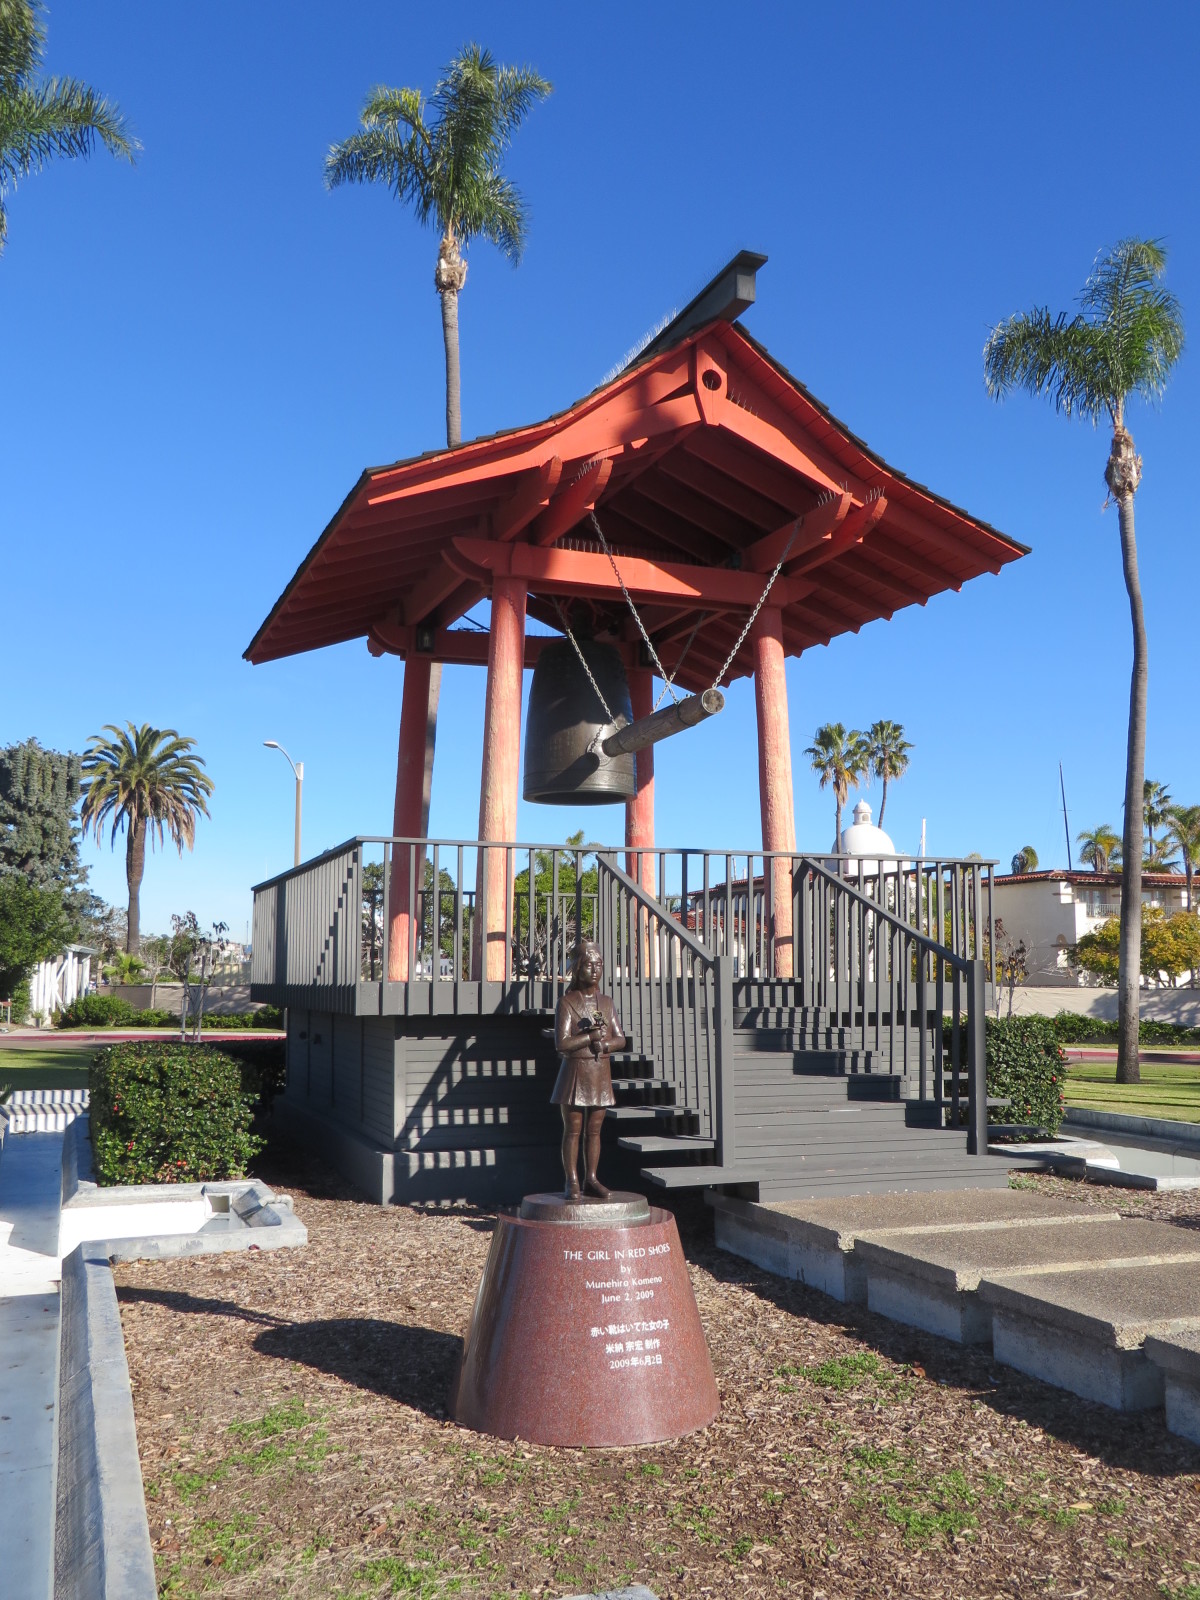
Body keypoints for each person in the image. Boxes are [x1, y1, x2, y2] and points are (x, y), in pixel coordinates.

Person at [551, 940, 627, 1200]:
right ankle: (571, 1180)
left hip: (599, 1070)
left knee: (594, 1130)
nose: (594, 970)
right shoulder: (566, 1003)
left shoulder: (606, 1002)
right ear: (577, 968)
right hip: (574, 1072)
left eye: (599, 965)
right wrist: (588, 1037)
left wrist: (604, 1044)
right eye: (588, 965)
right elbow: (562, 1044)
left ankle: (591, 1178)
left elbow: (620, 1038)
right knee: (573, 1129)